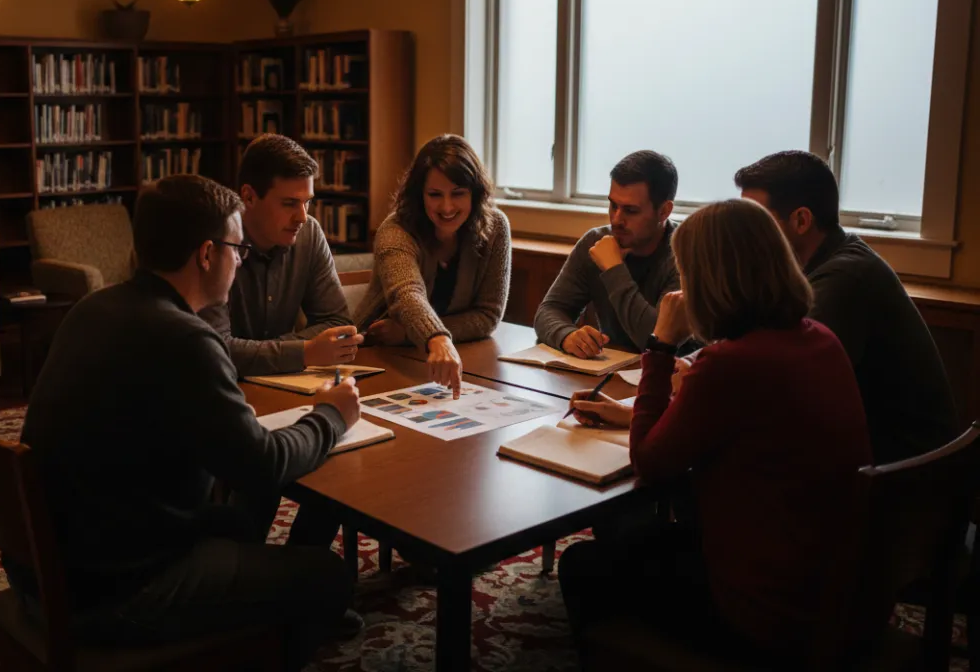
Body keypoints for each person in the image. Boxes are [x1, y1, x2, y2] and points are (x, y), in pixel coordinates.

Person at [6, 174, 361, 670]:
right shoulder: (185, 340)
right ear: (206, 254)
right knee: (329, 575)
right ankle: (272, 631)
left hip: (48, 569)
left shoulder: (94, 308)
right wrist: (332, 415)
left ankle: (276, 609)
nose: (240, 261)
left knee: (239, 522)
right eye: (236, 249)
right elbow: (261, 464)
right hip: (114, 593)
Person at [558, 198, 872, 665]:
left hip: (762, 614)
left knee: (582, 564)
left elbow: (650, 462)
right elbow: (731, 430)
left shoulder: (731, 364)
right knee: (642, 544)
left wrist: (661, 346)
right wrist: (634, 413)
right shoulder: (818, 338)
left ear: (709, 280)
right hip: (837, 589)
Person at [735, 150, 958, 464]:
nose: (744, 235)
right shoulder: (809, 264)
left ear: (801, 220)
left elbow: (784, 384)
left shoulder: (846, 277)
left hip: (902, 479)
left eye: (755, 222)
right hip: (875, 462)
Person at [354, 134, 510, 397]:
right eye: (435, 194)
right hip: (373, 356)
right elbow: (407, 294)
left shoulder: (496, 228)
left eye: (458, 193)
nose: (446, 206)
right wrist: (436, 338)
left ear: (475, 193)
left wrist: (409, 334)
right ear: (419, 195)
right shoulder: (395, 230)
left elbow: (488, 315)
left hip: (436, 357)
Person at [200, 134, 363, 377]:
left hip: (285, 386)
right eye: (289, 203)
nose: (302, 217)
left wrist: (266, 352)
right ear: (249, 197)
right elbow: (216, 349)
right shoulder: (215, 243)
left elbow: (338, 324)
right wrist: (304, 352)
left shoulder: (309, 233)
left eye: (307, 202)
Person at [534, 150, 684, 358]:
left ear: (664, 211)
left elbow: (656, 341)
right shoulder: (595, 241)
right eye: (613, 205)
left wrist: (614, 270)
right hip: (607, 372)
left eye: (631, 211)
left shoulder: (687, 252)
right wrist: (567, 335)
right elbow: (549, 310)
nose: (616, 220)